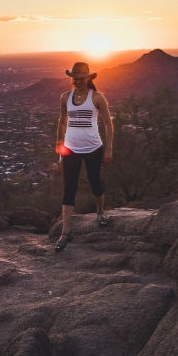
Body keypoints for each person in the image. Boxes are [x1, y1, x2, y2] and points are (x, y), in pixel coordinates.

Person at [54, 62, 114, 251]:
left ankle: (100, 213)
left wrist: (109, 148)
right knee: (69, 188)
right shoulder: (65, 97)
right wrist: (59, 143)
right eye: (75, 78)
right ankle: (65, 232)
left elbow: (108, 124)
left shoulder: (97, 98)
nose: (77, 81)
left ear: (88, 78)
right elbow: (62, 120)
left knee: (95, 181)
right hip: (71, 148)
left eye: (81, 78)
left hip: (93, 147)